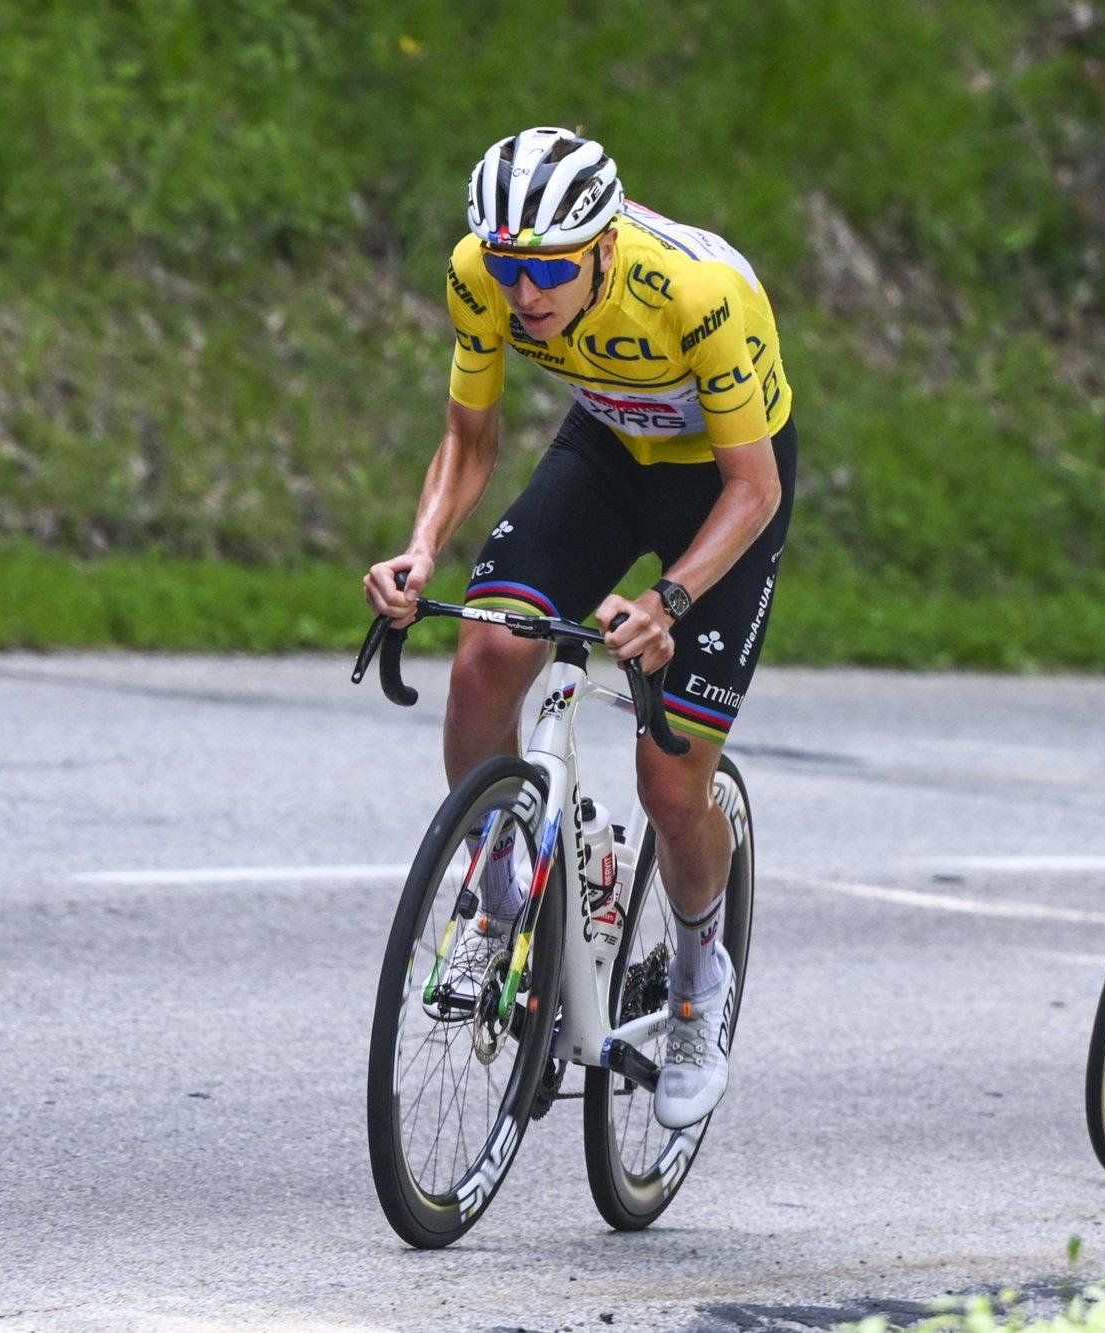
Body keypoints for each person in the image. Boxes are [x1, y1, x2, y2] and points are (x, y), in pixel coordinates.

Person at [364, 127, 796, 1130]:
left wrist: (670, 601)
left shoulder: (699, 292)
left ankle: (696, 974)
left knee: (667, 779)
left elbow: (755, 488)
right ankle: (505, 884)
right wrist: (422, 545)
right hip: (605, 453)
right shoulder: (480, 273)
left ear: (603, 244)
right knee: (483, 656)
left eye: (549, 268)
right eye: (510, 266)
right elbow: (469, 435)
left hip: (724, 488)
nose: (524, 293)